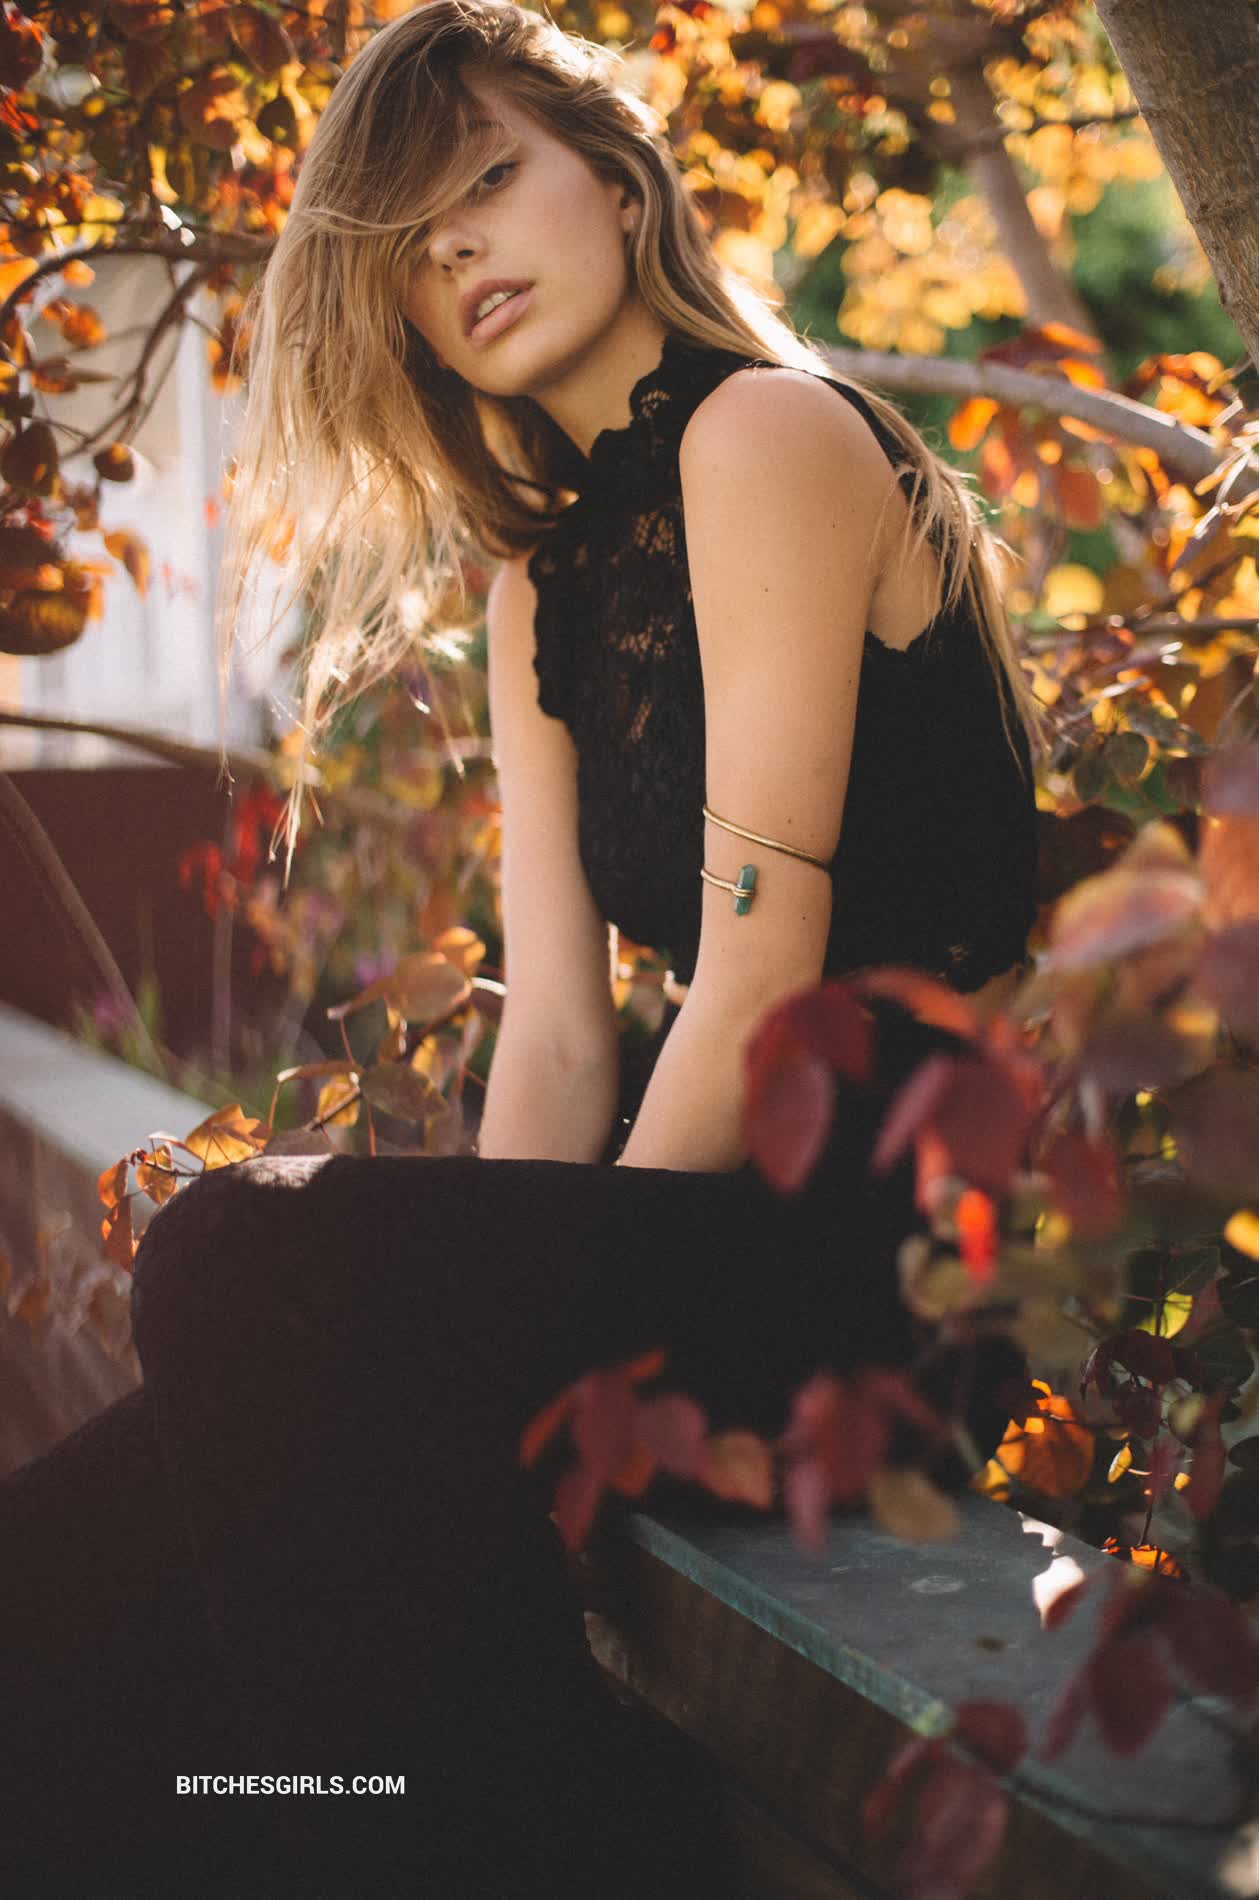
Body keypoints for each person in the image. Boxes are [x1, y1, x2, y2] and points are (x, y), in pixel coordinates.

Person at [0, 2, 1050, 1892]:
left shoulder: (769, 434)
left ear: (619, 178)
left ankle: (530, 1853)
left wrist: (543, 1329)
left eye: (489, 177)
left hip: (873, 1251)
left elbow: (757, 982)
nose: (461, 252)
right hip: (707, 1225)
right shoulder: (540, 582)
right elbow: (560, 1038)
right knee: (55, 1580)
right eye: (412, 244)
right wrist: (490, 1291)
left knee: (234, 1252)